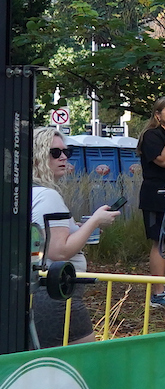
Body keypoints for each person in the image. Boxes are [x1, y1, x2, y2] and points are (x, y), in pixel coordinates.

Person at [30, 128, 119, 345]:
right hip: (57, 294)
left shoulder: (28, 192)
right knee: (85, 364)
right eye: (55, 152)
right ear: (38, 156)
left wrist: (77, 228)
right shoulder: (48, 196)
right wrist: (94, 221)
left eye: (66, 152)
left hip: (44, 292)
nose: (63, 157)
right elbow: (59, 251)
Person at [135, 98, 165, 280]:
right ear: (158, 115)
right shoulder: (151, 135)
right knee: (160, 241)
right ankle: (158, 290)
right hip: (156, 195)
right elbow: (164, 161)